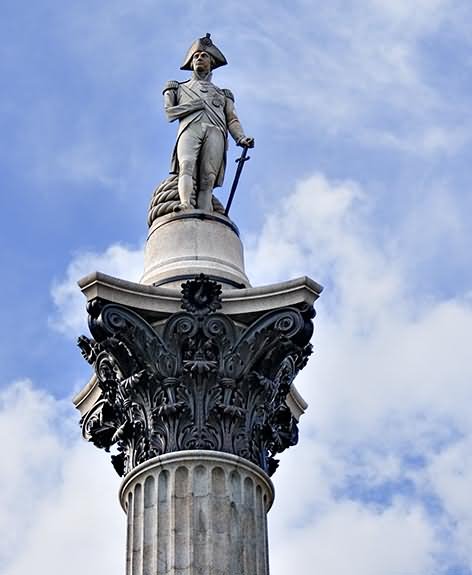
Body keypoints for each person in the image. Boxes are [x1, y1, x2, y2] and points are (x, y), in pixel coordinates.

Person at [163, 34, 254, 212]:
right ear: (191, 62)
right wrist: (194, 105)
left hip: (216, 131)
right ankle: (185, 204)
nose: (199, 58)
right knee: (186, 165)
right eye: (196, 56)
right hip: (190, 128)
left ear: (211, 62)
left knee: (208, 178)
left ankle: (205, 213)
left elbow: (232, 119)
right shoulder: (177, 87)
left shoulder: (223, 93)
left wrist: (241, 138)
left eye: (204, 56)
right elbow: (169, 113)